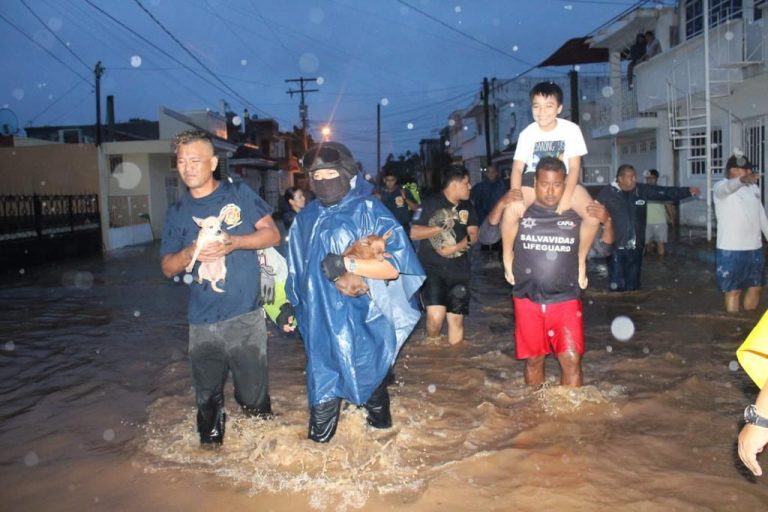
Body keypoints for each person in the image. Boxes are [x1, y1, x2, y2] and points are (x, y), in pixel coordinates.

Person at [284, 141, 425, 443]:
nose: (323, 181)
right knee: (321, 405)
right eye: (316, 177)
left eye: (330, 174)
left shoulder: (369, 210)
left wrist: (347, 263)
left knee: (373, 396)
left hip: (364, 325)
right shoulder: (305, 219)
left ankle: (385, 450)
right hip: (320, 327)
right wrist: (288, 305)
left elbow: (395, 268)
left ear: (346, 173)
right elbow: (294, 270)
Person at [159, 129, 281, 448]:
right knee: (207, 404)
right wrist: (191, 251)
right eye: (181, 161)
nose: (187, 167)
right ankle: (210, 463)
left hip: (245, 317)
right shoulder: (176, 212)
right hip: (201, 323)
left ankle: (264, 459)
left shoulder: (238, 193)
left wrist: (234, 242)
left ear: (213, 163)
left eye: (195, 160)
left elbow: (272, 234)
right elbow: (167, 268)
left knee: (253, 400)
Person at [487, 81, 599, 290]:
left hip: (565, 178)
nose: (542, 112)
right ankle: (507, 256)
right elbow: (517, 169)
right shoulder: (527, 134)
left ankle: (580, 260)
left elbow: (575, 167)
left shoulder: (571, 130)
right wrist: (516, 194)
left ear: (559, 108)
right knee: (511, 210)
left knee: (592, 217)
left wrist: (567, 197)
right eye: (536, 106)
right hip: (533, 178)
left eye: (548, 106)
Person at [511, 158, 611, 387]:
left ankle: (571, 408)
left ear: (566, 185)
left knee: (571, 359)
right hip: (527, 298)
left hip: (565, 298)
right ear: (534, 183)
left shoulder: (577, 213)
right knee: (534, 359)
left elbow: (606, 249)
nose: (550, 191)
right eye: (544, 184)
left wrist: (608, 221)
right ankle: (536, 405)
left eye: (556, 185)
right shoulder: (521, 209)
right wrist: (504, 204)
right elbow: (487, 236)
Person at [596, 164, 699, 291]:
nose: (634, 180)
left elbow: (664, 192)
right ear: (620, 179)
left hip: (636, 247)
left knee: (633, 285)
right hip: (615, 248)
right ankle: (616, 300)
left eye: (635, 177)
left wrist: (687, 191)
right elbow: (593, 216)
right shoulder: (607, 193)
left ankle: (632, 300)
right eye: (631, 177)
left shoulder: (641, 190)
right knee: (616, 284)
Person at [410, 165, 479, 345]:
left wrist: (456, 247)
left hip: (460, 271)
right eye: (466, 182)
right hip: (432, 269)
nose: (470, 186)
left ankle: (455, 358)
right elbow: (414, 233)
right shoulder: (429, 204)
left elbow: (473, 235)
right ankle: (433, 349)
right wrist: (441, 227)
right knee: (435, 317)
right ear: (454, 184)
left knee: (456, 320)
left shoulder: (468, 206)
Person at [713, 155, 768, 313]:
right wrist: (742, 180)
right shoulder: (720, 187)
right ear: (733, 170)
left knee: (756, 287)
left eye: (750, 169)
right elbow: (729, 187)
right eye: (746, 169)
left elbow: (761, 216)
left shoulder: (754, 189)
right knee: (733, 291)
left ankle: (747, 323)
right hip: (731, 249)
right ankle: (733, 324)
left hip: (755, 248)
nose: (750, 172)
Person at [644, 169, 674, 256]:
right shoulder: (642, 191)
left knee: (660, 244)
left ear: (656, 179)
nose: (650, 180)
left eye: (653, 178)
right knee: (648, 245)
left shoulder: (662, 191)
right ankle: (652, 262)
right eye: (648, 178)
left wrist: (672, 218)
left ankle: (661, 262)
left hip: (660, 221)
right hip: (646, 222)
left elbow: (668, 205)